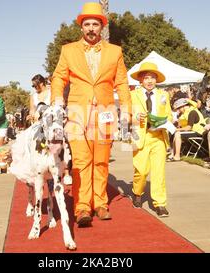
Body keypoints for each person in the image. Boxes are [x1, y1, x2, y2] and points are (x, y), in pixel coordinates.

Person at [50, 2, 132, 227]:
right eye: (87, 24)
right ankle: (82, 207)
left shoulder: (115, 51)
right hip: (77, 113)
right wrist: (57, 101)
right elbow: (58, 77)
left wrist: (126, 109)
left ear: (102, 25)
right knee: (81, 161)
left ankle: (101, 203)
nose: (91, 28)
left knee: (101, 161)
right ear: (81, 27)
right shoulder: (68, 50)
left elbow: (122, 82)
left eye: (95, 23)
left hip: (105, 112)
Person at [129, 62, 172, 217]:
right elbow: (124, 115)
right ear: (140, 79)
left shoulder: (163, 95)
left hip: (158, 137)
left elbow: (170, 115)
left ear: (157, 80)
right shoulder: (132, 95)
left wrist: (164, 121)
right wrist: (134, 117)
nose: (149, 81)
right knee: (141, 171)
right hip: (140, 136)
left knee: (159, 172)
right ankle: (137, 192)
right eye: (146, 77)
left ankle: (160, 204)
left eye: (152, 77)